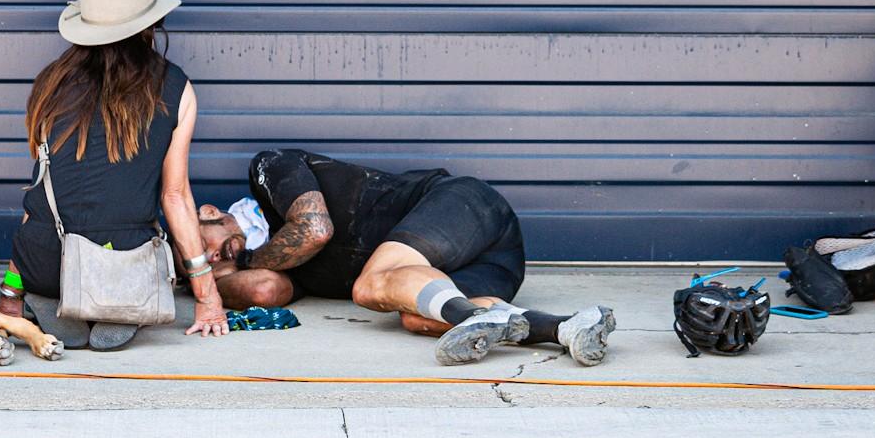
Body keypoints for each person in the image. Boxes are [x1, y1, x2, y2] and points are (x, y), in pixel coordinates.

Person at [194, 149, 614, 367]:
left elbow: (313, 231)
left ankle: (471, 317)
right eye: (201, 261)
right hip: (473, 268)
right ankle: (566, 328)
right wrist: (210, 277)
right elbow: (264, 290)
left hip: (462, 210)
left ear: (208, 212)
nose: (212, 256)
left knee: (369, 285)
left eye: (202, 245)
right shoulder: (274, 270)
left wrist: (242, 259)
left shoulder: (269, 170)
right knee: (420, 318)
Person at [7, 0, 228, 350]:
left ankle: (54, 298)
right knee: (119, 298)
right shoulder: (176, 88)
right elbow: (174, 197)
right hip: (122, 264)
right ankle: (111, 308)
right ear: (149, 25)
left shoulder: (50, 83)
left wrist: (11, 293)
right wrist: (207, 297)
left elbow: (40, 194)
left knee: (50, 242)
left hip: (46, 260)